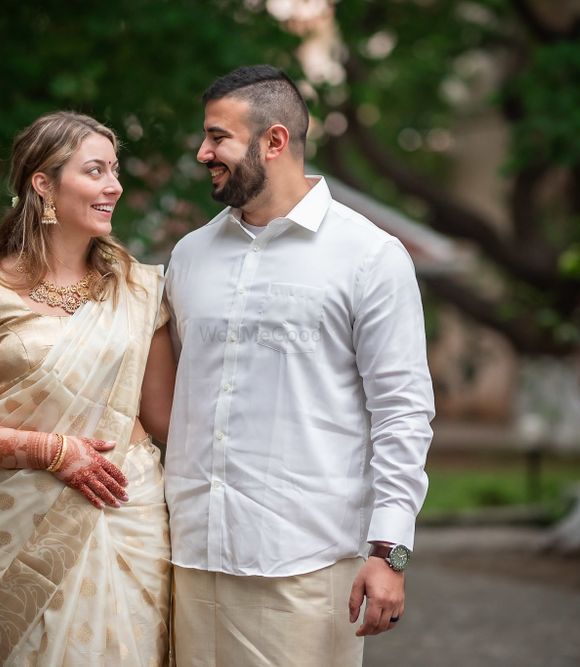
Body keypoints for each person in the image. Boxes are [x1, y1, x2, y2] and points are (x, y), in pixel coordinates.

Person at [163, 65, 435, 666]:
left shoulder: (369, 256)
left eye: (217, 137)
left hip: (304, 563)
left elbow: (403, 412)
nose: (202, 152)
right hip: (188, 556)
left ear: (274, 141)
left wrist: (390, 552)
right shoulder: (189, 256)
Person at [0, 111, 176, 666]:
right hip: (18, 524)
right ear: (43, 183)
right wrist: (52, 451)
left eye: (115, 170)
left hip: (126, 513)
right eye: (96, 170)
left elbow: (166, 417)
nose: (115, 185)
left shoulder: (138, 289)